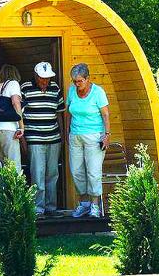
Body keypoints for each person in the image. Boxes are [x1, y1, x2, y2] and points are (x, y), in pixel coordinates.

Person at [65, 62, 110, 218]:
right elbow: (68, 112)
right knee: (76, 171)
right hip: (75, 135)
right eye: (74, 81)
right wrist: (67, 131)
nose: (77, 84)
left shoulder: (98, 92)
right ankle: (83, 204)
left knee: (93, 171)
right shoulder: (71, 91)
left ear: (87, 78)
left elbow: (105, 114)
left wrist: (107, 134)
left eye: (80, 81)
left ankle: (95, 205)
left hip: (94, 135)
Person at [20, 62, 65, 217]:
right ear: (35, 76)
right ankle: (38, 209)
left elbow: (59, 113)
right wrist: (23, 139)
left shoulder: (55, 88)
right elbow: (19, 115)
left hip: (54, 138)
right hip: (34, 139)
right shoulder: (25, 88)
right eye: (42, 78)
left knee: (53, 174)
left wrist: (62, 136)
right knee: (37, 174)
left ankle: (51, 208)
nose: (45, 81)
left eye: (47, 78)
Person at [0, 64, 24, 172]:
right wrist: (21, 126)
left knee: (2, 169)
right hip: (8, 129)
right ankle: (15, 185)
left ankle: (2, 185)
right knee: (14, 168)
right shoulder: (13, 83)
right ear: (15, 74)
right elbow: (15, 102)